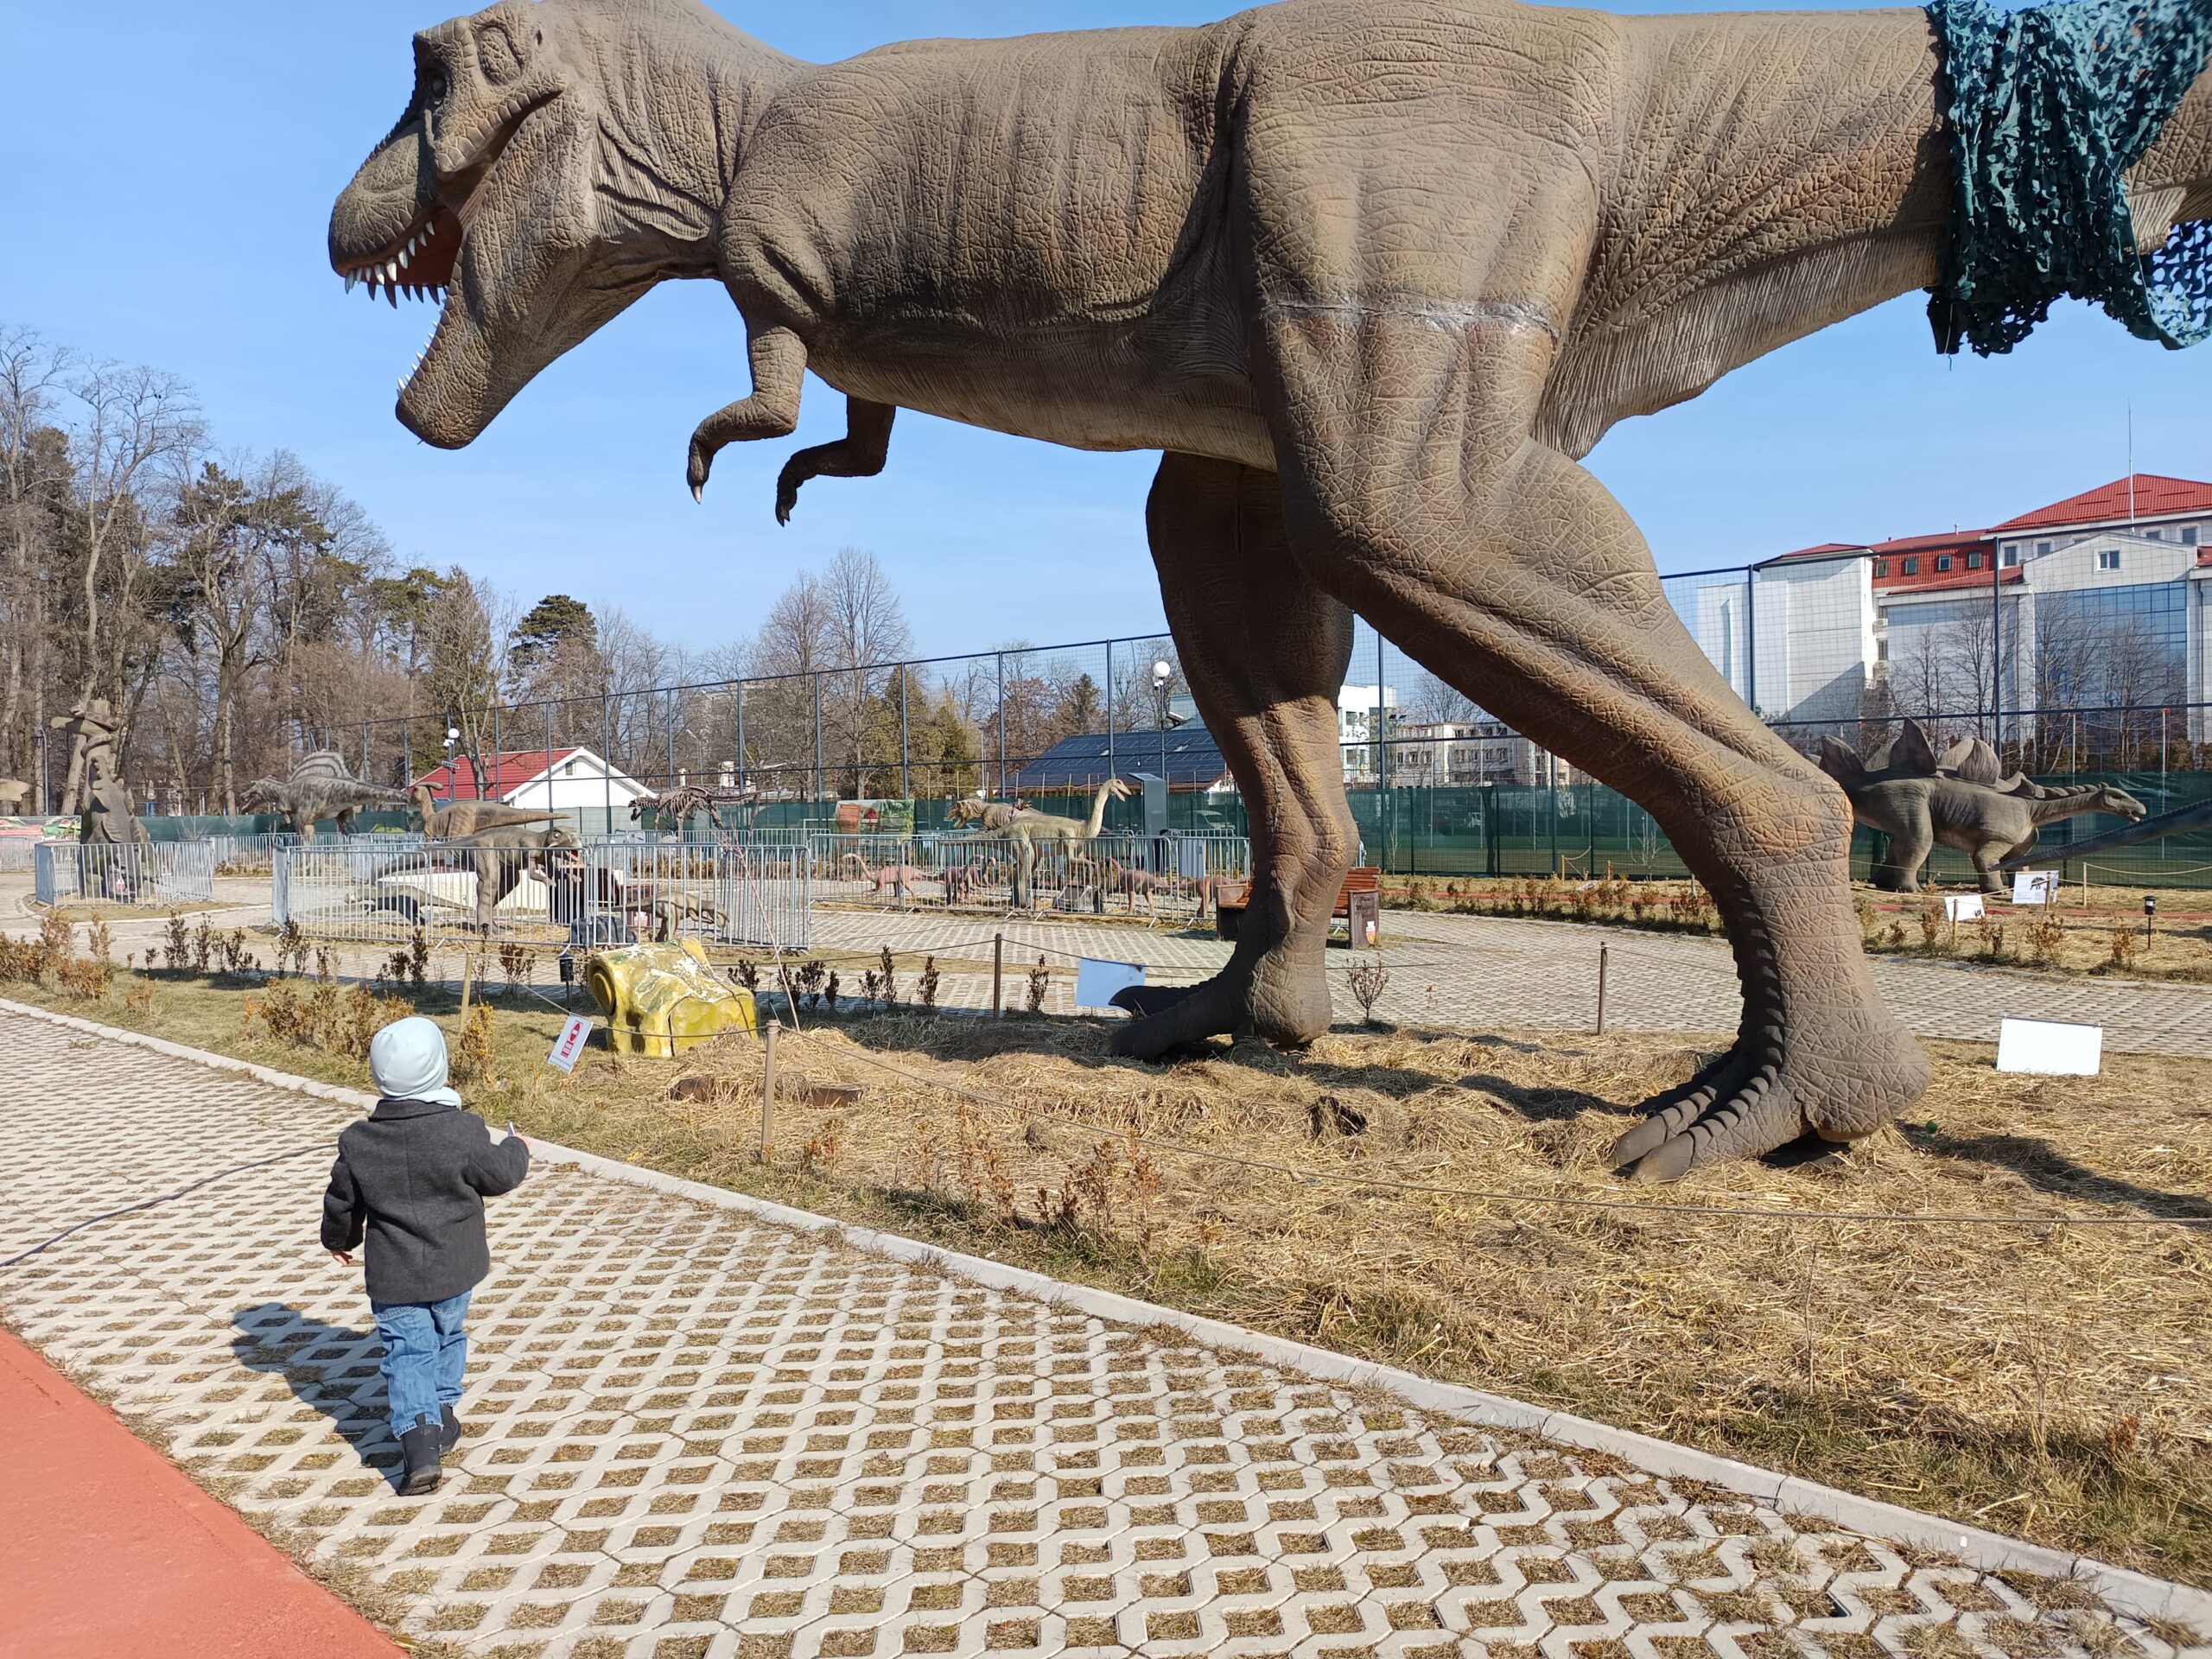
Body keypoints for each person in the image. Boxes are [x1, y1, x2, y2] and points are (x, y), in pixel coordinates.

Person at [321, 1015, 530, 1494]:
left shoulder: (360, 1140)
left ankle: (421, 1440)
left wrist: (340, 1239)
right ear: (440, 1067)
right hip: (455, 1268)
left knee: (408, 1351)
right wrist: (516, 1146)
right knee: (447, 1336)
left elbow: (342, 1200)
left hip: (395, 1275)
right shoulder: (462, 1130)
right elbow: (500, 1174)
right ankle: (441, 1413)